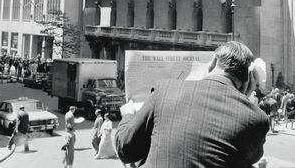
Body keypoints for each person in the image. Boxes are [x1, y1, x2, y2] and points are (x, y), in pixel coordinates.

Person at [115, 41, 269, 167]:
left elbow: (126, 150)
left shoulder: (164, 89)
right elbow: (245, 158)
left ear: (214, 61)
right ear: (248, 77)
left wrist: (128, 115)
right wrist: (243, 98)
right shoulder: (256, 118)